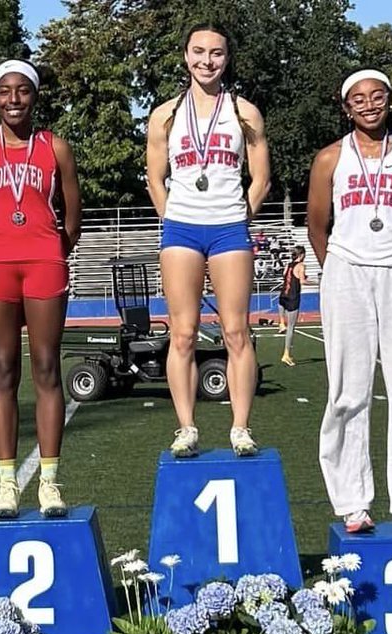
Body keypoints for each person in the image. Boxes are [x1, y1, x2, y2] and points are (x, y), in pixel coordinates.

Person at [306, 68, 392, 533]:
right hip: (346, 272)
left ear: (389, 101)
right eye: (358, 99)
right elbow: (316, 226)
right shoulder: (330, 158)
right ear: (346, 108)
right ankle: (352, 500)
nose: (369, 105)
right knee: (347, 391)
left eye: (377, 96)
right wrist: (341, 269)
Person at [0, 59, 82, 518]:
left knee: (47, 367)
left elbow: (73, 215)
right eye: (5, 91)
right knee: (3, 370)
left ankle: (49, 481)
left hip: (44, 262)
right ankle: (7, 483)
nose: (14, 99)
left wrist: (52, 249)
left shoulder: (55, 148)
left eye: (23, 91)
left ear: (34, 96)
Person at [146, 22, 271, 457]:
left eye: (216, 53)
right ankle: (186, 427)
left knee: (237, 331)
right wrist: (172, 217)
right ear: (185, 56)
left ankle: (240, 427)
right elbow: (154, 176)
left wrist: (239, 215)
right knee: (183, 333)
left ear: (227, 58)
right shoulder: (165, 114)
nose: (207, 60)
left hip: (229, 230)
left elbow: (261, 177)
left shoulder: (245, 112)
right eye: (198, 51)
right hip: (181, 228)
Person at [279, 247, 306, 367]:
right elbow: (302, 282)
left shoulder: (288, 264)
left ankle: (280, 322)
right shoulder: (301, 266)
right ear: (302, 255)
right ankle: (286, 354)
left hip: (283, 295)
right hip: (292, 297)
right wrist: (318, 282)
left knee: (286, 323)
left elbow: (284, 275)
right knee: (291, 327)